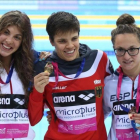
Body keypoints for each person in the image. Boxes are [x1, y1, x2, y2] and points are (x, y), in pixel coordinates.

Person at [28, 11, 114, 140]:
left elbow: (116, 93)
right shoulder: (42, 69)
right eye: (62, 41)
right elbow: (33, 120)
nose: (70, 46)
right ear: (51, 41)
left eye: (74, 38)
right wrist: (38, 92)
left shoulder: (99, 59)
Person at [0, 10, 50, 140]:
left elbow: (34, 120)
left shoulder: (30, 67)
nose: (9, 41)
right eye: (6, 32)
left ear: (23, 41)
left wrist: (38, 92)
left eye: (17, 37)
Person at [103, 13, 140, 140]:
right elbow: (93, 117)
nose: (126, 56)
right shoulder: (108, 84)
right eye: (120, 50)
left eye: (133, 49)